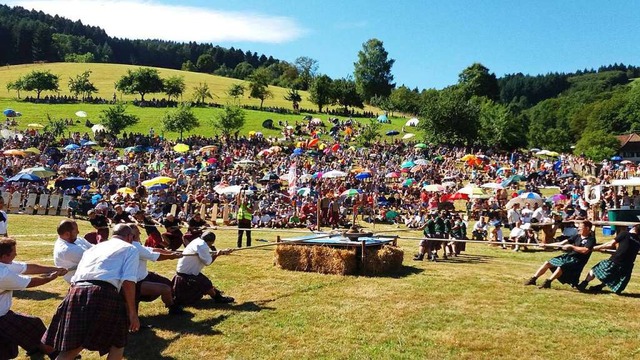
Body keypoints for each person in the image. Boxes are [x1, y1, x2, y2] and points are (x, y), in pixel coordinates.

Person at [42, 224, 140, 359]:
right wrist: (132, 312)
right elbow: (128, 282)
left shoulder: (93, 248)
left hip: (76, 291)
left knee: (77, 344)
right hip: (103, 293)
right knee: (118, 340)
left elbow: (77, 276)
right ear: (129, 237)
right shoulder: (130, 249)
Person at [0, 238, 66, 359]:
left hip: (4, 314)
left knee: (33, 324)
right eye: (14, 252)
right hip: (1, 317)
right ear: (4, 256)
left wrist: (54, 269)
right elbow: (31, 282)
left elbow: (28, 268)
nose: (16, 254)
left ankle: (40, 350)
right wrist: (50, 277)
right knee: (8, 351)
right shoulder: (3, 274)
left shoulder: (4, 264)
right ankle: (53, 353)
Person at [129, 225, 184, 315]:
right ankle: (173, 308)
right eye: (138, 232)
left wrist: (170, 252)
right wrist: (172, 256)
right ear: (132, 235)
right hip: (136, 281)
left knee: (167, 283)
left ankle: (172, 306)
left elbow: (153, 250)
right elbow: (157, 257)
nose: (140, 233)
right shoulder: (134, 246)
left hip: (144, 275)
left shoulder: (136, 244)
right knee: (165, 289)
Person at [524, 221, 595, 289]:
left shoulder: (591, 239)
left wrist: (571, 246)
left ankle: (548, 282)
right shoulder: (577, 236)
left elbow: (585, 250)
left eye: (580, 227)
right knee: (548, 263)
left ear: (587, 228)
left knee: (561, 267)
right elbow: (561, 243)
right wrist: (546, 245)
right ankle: (533, 279)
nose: (578, 229)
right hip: (569, 257)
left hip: (577, 261)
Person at [172, 231, 235, 306]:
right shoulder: (202, 245)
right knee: (206, 283)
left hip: (185, 271)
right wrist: (217, 255)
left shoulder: (197, 241)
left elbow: (208, 253)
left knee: (204, 281)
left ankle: (215, 292)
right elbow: (208, 262)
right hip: (187, 274)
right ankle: (217, 298)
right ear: (211, 242)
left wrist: (222, 252)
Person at [576, 224, 640, 294]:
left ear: (633, 228)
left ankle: (584, 283)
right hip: (627, 266)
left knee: (594, 270)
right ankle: (599, 287)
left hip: (616, 261)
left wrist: (593, 248)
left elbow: (610, 244)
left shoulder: (625, 234)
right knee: (614, 277)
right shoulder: (638, 241)